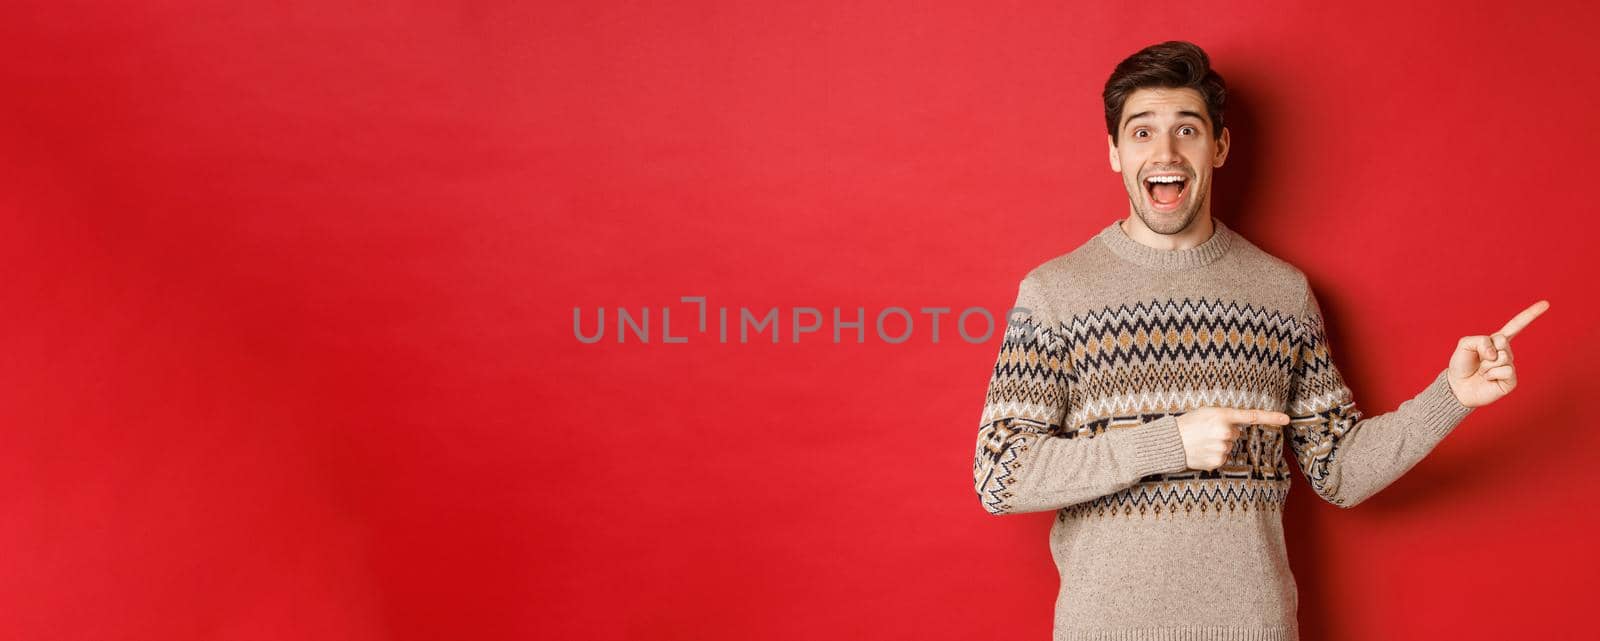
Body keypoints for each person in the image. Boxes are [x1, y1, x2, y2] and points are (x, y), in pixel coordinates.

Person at [971, 40, 1548, 641]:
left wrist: (1450, 396)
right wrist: (1168, 443)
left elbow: (1339, 472)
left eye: (1186, 130)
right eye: (1141, 133)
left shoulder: (1281, 293)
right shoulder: (1055, 293)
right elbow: (999, 475)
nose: (1164, 151)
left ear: (1218, 147)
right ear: (1114, 153)